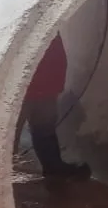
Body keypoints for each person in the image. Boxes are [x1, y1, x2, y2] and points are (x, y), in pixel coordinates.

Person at [15, 33, 91, 180]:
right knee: (5, 139)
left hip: (45, 87)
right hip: (18, 91)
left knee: (44, 131)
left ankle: (53, 167)